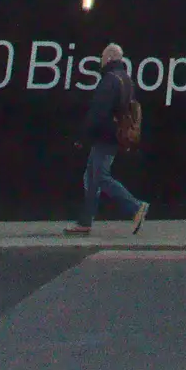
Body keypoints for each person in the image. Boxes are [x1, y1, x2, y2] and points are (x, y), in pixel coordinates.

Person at [65, 43, 149, 237]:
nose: (101, 60)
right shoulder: (126, 79)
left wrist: (82, 137)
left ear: (110, 58)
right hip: (116, 134)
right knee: (92, 177)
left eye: (102, 56)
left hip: (105, 135)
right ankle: (85, 222)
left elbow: (98, 112)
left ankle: (136, 207)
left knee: (100, 176)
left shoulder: (109, 80)